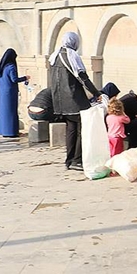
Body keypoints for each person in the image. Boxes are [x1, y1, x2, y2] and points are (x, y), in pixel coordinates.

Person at [48, 31, 100, 171]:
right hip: (73, 99)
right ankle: (77, 160)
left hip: (60, 100)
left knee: (71, 129)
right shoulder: (71, 56)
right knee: (81, 129)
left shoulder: (55, 56)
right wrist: (96, 93)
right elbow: (83, 77)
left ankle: (69, 160)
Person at [0, 48, 30, 137]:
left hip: (2, 92)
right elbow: (14, 79)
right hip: (10, 92)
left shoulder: (0, 66)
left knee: (3, 112)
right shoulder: (11, 67)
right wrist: (25, 78)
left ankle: (2, 131)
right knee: (11, 112)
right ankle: (11, 132)